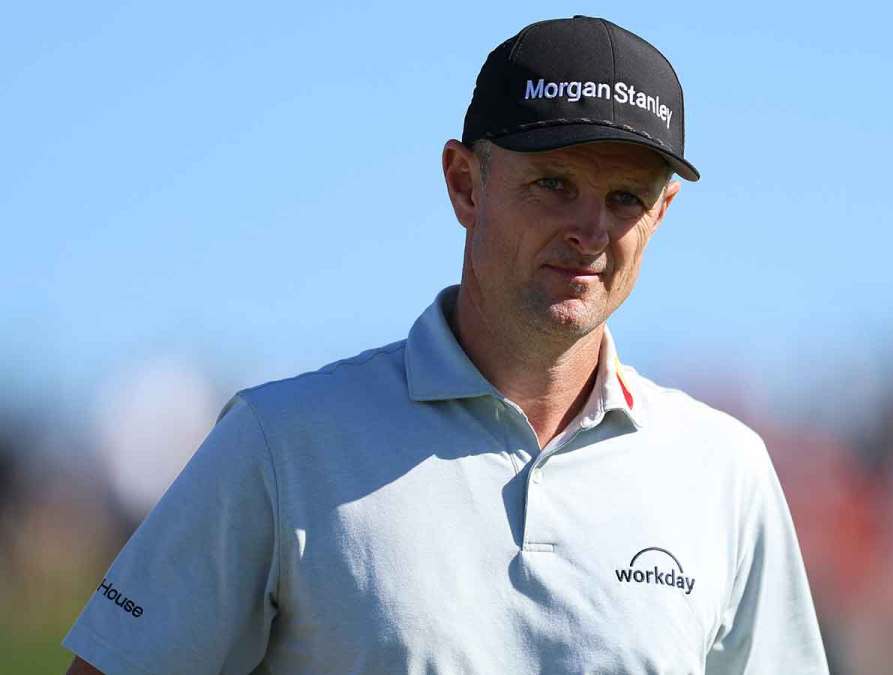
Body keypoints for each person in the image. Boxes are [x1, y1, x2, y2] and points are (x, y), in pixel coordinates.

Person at [63, 15, 828, 674]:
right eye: (554, 183)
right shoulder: (281, 444)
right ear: (465, 184)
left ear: (662, 213)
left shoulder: (724, 473)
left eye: (624, 197)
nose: (590, 231)